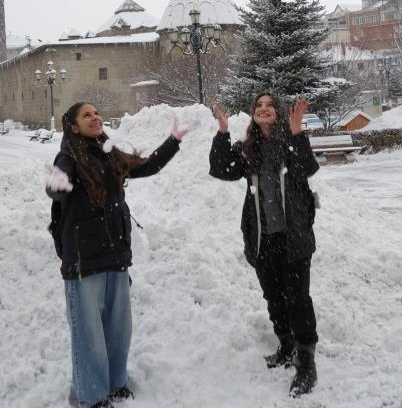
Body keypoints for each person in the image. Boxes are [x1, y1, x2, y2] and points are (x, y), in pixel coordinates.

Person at [45, 102, 193, 408]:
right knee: (89, 336)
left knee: (117, 330)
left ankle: (115, 383)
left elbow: (147, 166)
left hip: (115, 257)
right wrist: (57, 184)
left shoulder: (109, 153)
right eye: (86, 115)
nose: (95, 117)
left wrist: (174, 139)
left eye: (96, 112)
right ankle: (91, 395)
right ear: (73, 126)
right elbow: (56, 188)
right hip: (84, 262)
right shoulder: (69, 156)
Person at [209, 94, 320, 397]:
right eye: (258, 105)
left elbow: (307, 169)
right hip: (262, 239)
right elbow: (220, 168)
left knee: (298, 299)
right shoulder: (248, 150)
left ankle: (306, 361)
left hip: (293, 237)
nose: (263, 108)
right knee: (273, 297)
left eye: (269, 105)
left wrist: (297, 133)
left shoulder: (290, 141)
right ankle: (285, 345)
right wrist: (222, 130)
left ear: (278, 113)